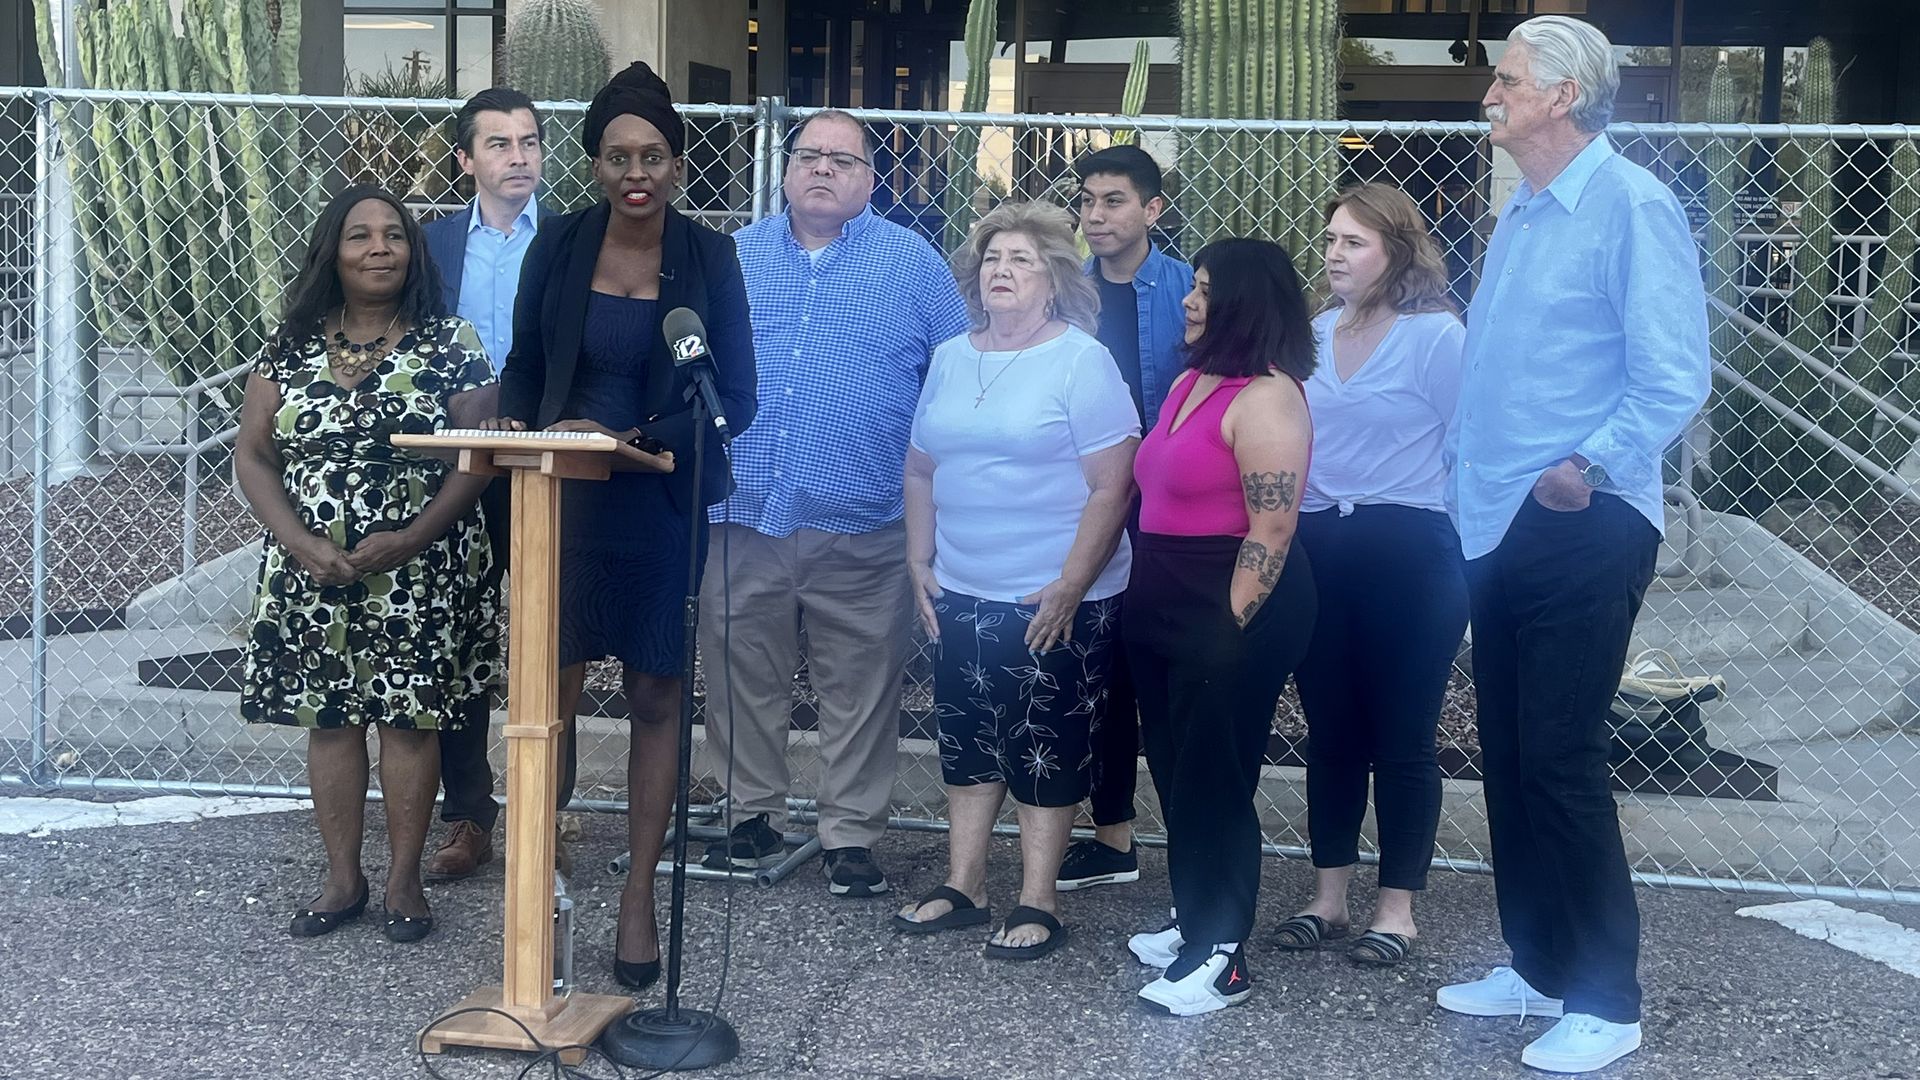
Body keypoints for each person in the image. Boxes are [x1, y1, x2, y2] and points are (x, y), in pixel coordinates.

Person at [1437, 16, 1709, 1075]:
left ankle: (1606, 996)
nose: (1492, 94)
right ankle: (1540, 963)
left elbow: (1674, 369)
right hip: (1497, 519)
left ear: (1561, 96)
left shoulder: (1630, 205)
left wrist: (1586, 467)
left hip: (1580, 519)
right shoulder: (1524, 213)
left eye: (1507, 79)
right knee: (1508, 751)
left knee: (1559, 754)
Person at [489, 61, 757, 991]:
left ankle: (639, 894)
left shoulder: (710, 258)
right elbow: (525, 366)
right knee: (547, 698)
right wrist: (522, 428)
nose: (634, 171)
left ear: (679, 165)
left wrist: (630, 438)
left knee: (652, 698)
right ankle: (540, 878)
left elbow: (737, 398)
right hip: (558, 498)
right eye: (616, 156)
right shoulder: (559, 245)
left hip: (655, 497)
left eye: (651, 155)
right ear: (595, 164)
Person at [700, 109, 970, 896]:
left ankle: (849, 836)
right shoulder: (734, 258)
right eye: (809, 155)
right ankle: (751, 818)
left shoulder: (914, 265)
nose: (823, 169)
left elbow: (950, 379)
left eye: (842, 160)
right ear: (785, 169)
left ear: (870, 179)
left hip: (866, 522)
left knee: (862, 682)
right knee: (739, 671)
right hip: (742, 513)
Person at [236, 184, 500, 945]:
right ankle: (343, 877)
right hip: (314, 569)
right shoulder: (289, 343)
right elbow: (254, 454)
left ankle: (404, 880)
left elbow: (477, 459)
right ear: (334, 251)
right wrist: (299, 541)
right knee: (331, 722)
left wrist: (412, 537)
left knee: (409, 724)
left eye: (394, 235)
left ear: (413, 252)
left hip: (419, 567)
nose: (379, 247)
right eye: (360, 235)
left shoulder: (452, 342)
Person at [892, 201, 1138, 960]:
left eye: (1021, 260)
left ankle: (1038, 898)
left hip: (1052, 597)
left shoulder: (1081, 361)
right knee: (965, 738)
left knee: (1043, 742)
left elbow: (1113, 485)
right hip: (960, 587)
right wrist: (918, 560)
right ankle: (964, 884)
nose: (1001, 270)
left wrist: (1070, 582)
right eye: (992, 258)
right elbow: (921, 467)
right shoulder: (950, 355)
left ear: (1055, 279)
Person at [1123, 238, 1317, 1016]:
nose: (1190, 300)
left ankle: (1224, 955)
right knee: (1177, 767)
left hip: (1235, 601)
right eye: (1192, 286)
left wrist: (1225, 627)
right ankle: (1196, 913)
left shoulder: (1270, 396)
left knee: (1215, 774)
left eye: (1205, 289)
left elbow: (1271, 529)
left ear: (1244, 301)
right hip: (1166, 593)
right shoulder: (1193, 380)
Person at [1279, 182, 1467, 966]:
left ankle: (1397, 911)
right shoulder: (1314, 333)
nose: (1333, 254)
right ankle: (1328, 900)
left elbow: (1467, 447)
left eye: (1353, 242)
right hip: (1321, 546)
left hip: (1410, 548)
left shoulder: (1436, 337)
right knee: (1330, 733)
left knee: (1402, 736)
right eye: (1330, 240)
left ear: (1396, 250)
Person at [1057, 144, 1194, 893]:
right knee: (1099, 670)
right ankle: (1112, 839)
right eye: (1087, 200)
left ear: (1152, 210)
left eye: (1113, 200)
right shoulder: (1067, 294)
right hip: (1082, 508)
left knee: (1163, 674)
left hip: (1166, 514)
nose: (1097, 214)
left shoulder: (1184, 291)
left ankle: (1191, 847)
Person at [420, 86, 546, 881]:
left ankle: (549, 812)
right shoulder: (429, 247)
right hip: (458, 469)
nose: (518, 156)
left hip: (547, 466)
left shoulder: (571, 241)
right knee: (462, 640)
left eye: (529, 141)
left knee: (548, 640)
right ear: (466, 160)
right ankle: (468, 814)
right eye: (497, 143)